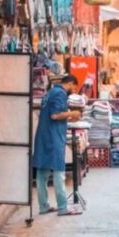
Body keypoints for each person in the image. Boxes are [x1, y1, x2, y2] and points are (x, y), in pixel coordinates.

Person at [33, 74, 83, 216]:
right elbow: (55, 115)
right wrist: (72, 113)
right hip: (53, 138)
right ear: (71, 83)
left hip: (44, 136)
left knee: (42, 173)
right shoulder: (60, 93)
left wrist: (68, 116)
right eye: (74, 87)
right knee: (58, 171)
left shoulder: (50, 92)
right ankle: (62, 207)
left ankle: (44, 206)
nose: (73, 90)